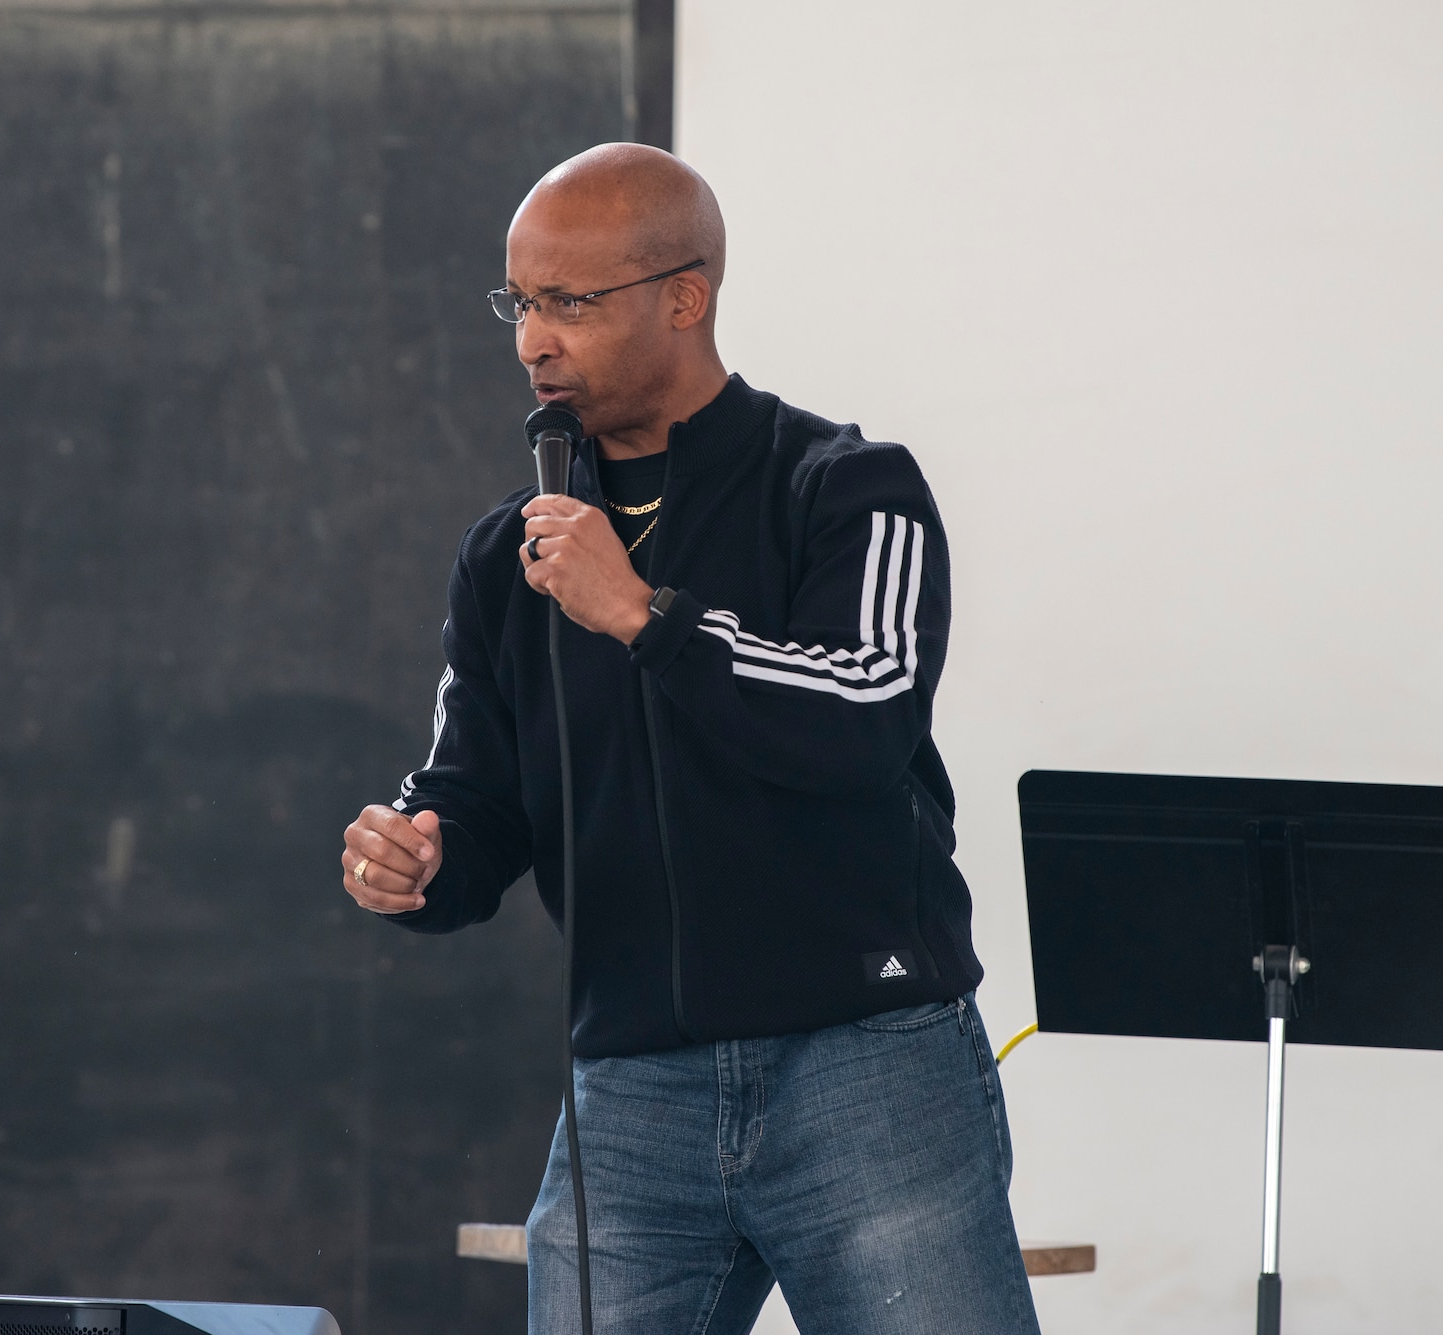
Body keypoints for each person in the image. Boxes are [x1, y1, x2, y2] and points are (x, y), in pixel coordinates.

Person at [340, 143, 1040, 1335]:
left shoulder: (846, 488)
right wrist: (420, 857)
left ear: (685, 296)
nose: (531, 340)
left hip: (861, 1064)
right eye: (520, 301)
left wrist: (645, 617)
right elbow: (480, 792)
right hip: (629, 1086)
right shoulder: (510, 552)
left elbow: (863, 716)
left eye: (570, 302)